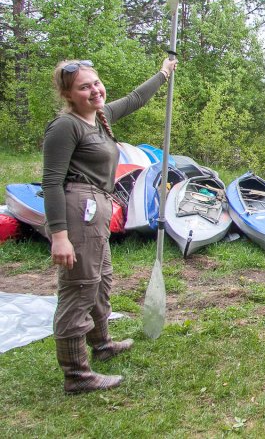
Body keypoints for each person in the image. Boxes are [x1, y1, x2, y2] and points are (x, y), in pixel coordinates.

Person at [43, 57, 177, 394]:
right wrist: (59, 235)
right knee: (79, 288)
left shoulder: (99, 118)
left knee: (100, 280)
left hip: (98, 209)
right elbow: (51, 182)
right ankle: (76, 375)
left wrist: (163, 73)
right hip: (79, 210)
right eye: (84, 87)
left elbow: (134, 99)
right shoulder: (66, 126)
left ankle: (101, 345)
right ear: (68, 95)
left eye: (96, 83)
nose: (94, 90)